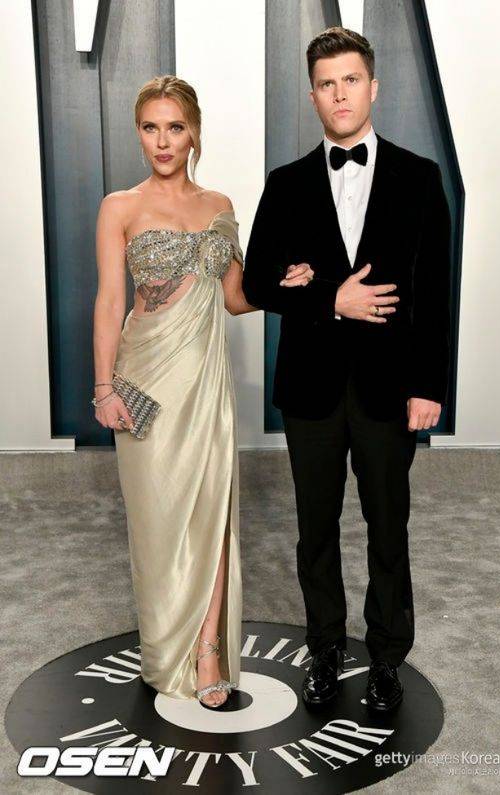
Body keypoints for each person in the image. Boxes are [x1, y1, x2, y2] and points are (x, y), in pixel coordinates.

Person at [242, 27, 451, 711]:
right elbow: (258, 283)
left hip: (392, 387)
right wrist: (330, 298)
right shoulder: (286, 183)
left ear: (373, 87)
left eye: (351, 80)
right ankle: (325, 648)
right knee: (316, 527)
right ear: (312, 95)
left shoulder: (420, 177)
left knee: (389, 526)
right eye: (326, 84)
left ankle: (387, 657)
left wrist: (429, 387)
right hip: (311, 387)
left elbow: (434, 292)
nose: (339, 94)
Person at [92, 75, 313, 708]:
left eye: (175, 127)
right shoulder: (120, 207)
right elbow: (109, 301)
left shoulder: (219, 205)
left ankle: (209, 650)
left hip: (207, 382)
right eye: (150, 128)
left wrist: (286, 285)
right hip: (144, 379)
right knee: (158, 520)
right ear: (139, 134)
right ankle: (167, 645)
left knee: (212, 514)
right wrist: (103, 387)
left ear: (194, 134)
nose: (163, 141)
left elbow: (237, 298)